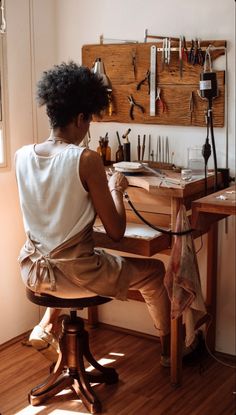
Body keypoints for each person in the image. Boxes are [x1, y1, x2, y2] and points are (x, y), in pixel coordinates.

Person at [15, 61, 171, 367]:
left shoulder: (22, 155)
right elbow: (116, 231)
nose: (89, 129)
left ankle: (46, 325)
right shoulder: (85, 159)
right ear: (81, 117)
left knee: (81, 253)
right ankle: (170, 352)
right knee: (155, 271)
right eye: (89, 121)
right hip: (75, 276)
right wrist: (117, 189)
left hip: (32, 270)